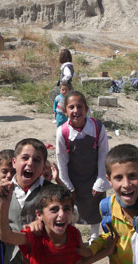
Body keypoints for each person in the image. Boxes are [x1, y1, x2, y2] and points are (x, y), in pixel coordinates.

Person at [0, 183, 117, 264]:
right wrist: (3, 205)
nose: (62, 214)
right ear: (39, 214)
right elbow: (6, 236)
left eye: (66, 209)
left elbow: (80, 262)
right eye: (54, 209)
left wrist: (107, 251)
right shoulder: (35, 236)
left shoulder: (73, 234)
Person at [56, 91, 110, 244]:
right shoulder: (62, 132)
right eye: (71, 107)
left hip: (94, 174)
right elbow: (62, 160)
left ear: (86, 109)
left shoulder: (98, 128)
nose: (75, 111)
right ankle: (72, 234)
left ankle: (94, 235)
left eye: (79, 107)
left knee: (95, 203)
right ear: (65, 111)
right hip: (74, 176)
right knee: (71, 205)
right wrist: (68, 185)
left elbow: (103, 155)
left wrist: (100, 180)